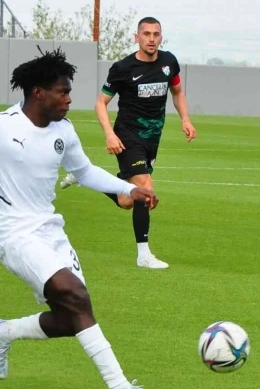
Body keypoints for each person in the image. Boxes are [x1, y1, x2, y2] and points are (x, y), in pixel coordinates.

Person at [0, 48, 163, 389]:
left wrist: (129, 188)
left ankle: (3, 331)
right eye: (63, 91)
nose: (69, 99)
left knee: (71, 319)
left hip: (50, 230)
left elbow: (84, 171)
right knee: (76, 296)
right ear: (39, 92)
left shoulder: (63, 131)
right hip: (13, 234)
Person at [59, 17, 196, 269]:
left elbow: (177, 92)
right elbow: (100, 103)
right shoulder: (123, 68)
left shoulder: (169, 62)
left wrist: (185, 119)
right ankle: (143, 255)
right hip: (127, 135)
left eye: (156, 34)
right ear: (137, 37)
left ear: (161, 37)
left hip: (152, 138)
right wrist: (110, 134)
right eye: (146, 34)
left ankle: (84, 176)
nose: (151, 39)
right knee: (145, 188)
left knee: (127, 201)